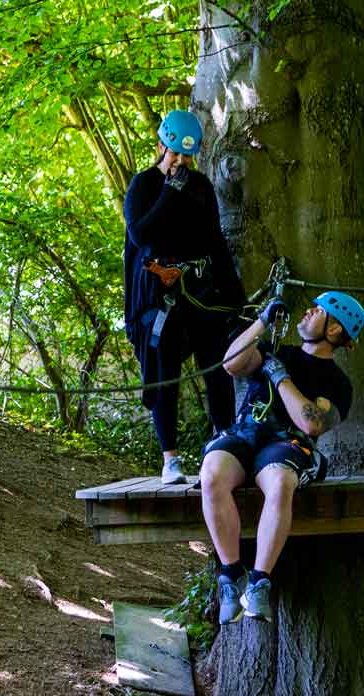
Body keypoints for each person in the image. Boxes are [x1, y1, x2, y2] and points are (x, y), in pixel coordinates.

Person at [197, 291, 364, 623]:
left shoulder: (338, 383)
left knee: (280, 481)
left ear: (334, 330)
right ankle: (231, 577)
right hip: (246, 433)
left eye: (318, 311)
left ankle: (259, 583)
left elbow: (311, 422)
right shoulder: (276, 350)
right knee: (212, 473)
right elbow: (231, 364)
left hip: (287, 442)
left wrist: (279, 376)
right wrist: (262, 321)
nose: (307, 313)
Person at [122, 110, 244, 485]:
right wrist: (170, 192)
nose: (179, 162)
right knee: (164, 373)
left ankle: (221, 444)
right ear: (161, 147)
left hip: (202, 291)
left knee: (216, 366)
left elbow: (214, 241)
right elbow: (142, 236)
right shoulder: (142, 185)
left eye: (186, 156)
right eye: (174, 153)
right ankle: (170, 459)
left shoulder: (201, 187)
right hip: (160, 294)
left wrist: (237, 298)